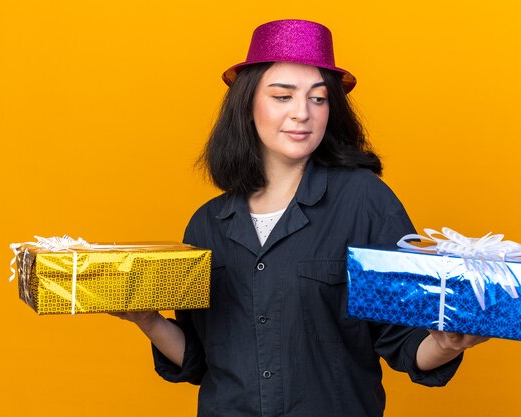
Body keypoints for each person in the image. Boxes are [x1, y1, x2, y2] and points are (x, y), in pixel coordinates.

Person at [113, 19, 488, 417]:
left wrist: (447, 344)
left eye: (318, 99)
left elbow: (405, 341)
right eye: (282, 96)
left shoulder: (364, 201)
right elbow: (199, 358)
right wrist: (148, 320)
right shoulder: (207, 224)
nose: (302, 113)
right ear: (247, 104)